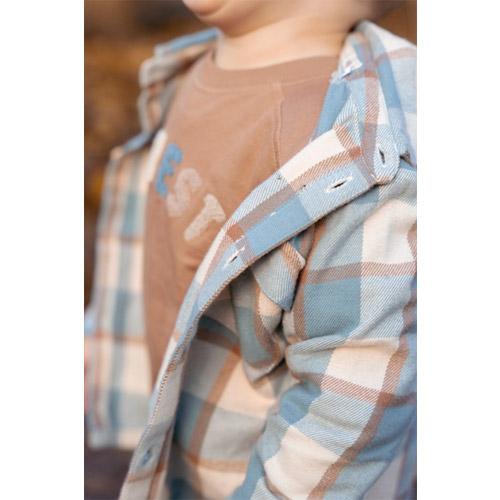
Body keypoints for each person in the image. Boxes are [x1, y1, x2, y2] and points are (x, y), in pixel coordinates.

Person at [85, 0, 417, 498]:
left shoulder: (351, 156)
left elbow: (348, 403)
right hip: (179, 457)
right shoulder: (192, 71)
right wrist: (99, 344)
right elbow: (167, 255)